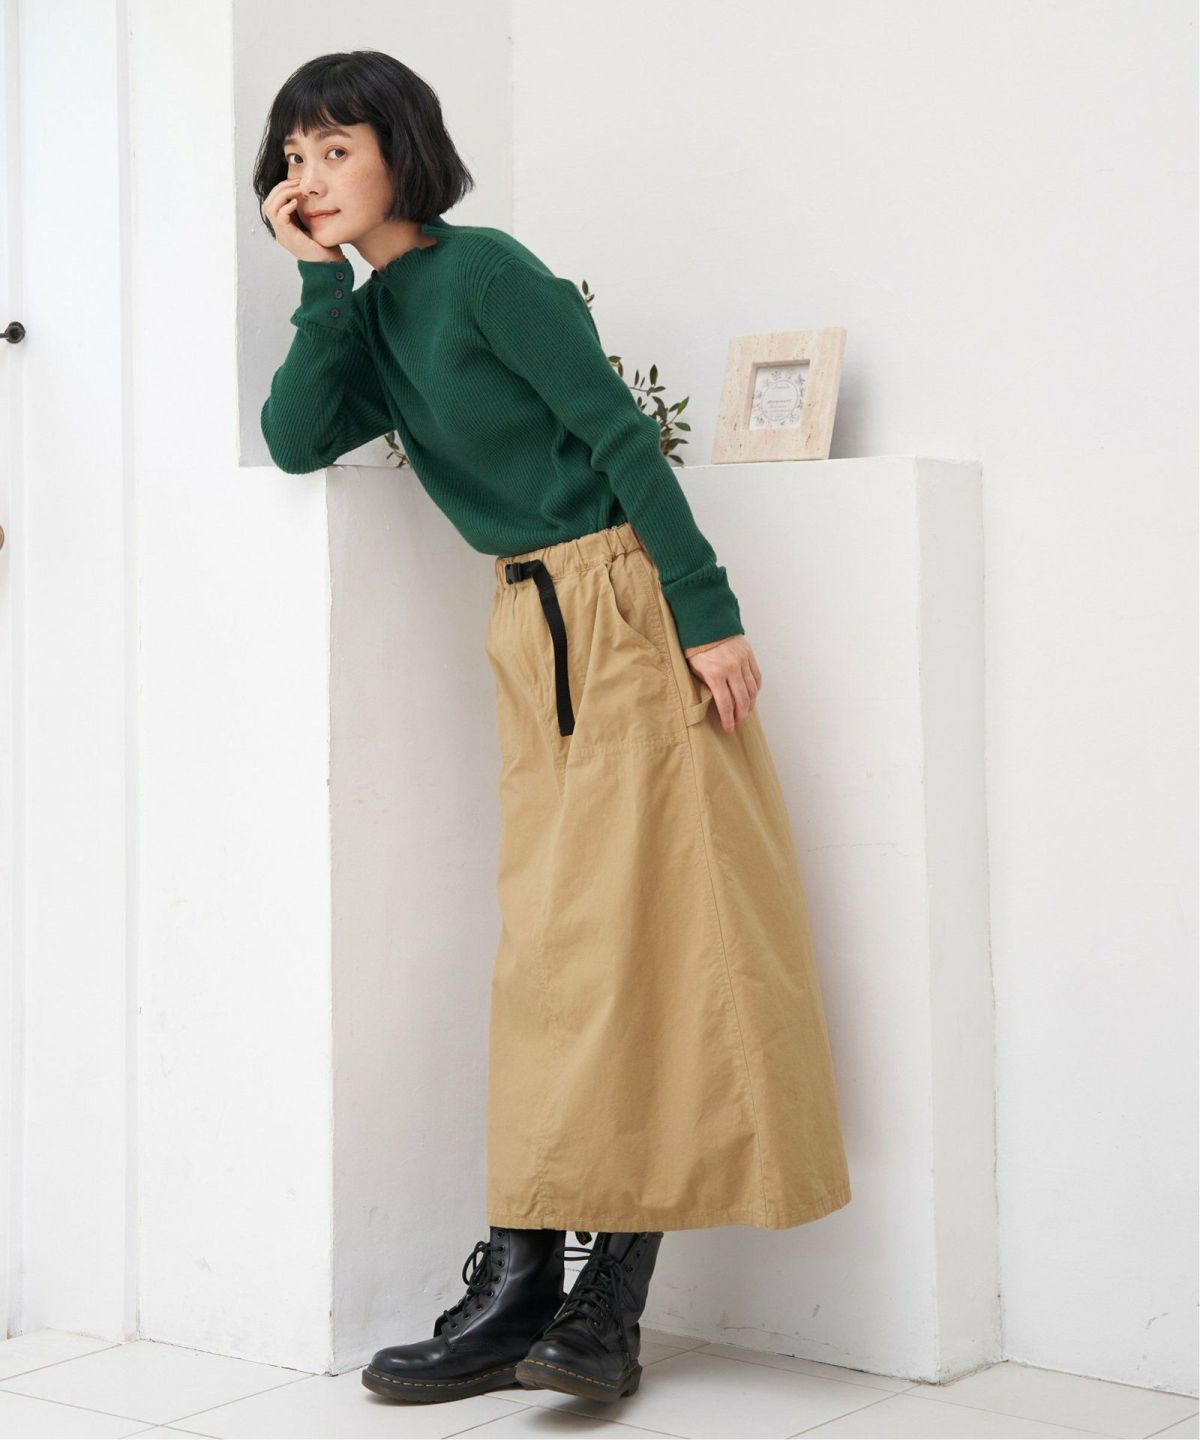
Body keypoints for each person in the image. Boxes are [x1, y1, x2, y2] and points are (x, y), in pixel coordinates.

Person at [254, 49, 852, 1409]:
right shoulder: (375, 317)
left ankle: (604, 1303)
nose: (310, 176)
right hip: (528, 629)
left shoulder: (487, 273)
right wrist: (316, 284)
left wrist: (705, 611)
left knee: (654, 942)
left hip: (622, 605)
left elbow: (620, 436)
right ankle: (525, 1286)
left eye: (336, 148)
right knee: (555, 962)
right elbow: (295, 438)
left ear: (402, 150)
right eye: (292, 158)